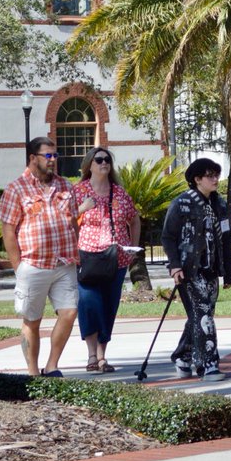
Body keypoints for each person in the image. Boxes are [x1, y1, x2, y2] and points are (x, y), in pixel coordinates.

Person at [0, 136, 79, 377]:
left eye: (55, 156)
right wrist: (18, 267)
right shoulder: (16, 189)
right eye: (48, 156)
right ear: (33, 158)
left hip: (64, 262)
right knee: (32, 320)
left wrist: (77, 248)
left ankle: (52, 365)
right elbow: (8, 231)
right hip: (33, 265)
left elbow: (73, 221)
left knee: (70, 312)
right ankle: (33, 373)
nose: (53, 160)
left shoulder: (65, 186)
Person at [162, 157, 231, 381]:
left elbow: (226, 238)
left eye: (216, 175)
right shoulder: (182, 203)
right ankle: (208, 365)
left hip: (212, 270)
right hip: (189, 270)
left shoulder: (219, 204)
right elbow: (168, 236)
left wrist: (229, 272)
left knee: (201, 315)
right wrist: (174, 266)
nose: (215, 180)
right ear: (197, 179)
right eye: (210, 175)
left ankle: (183, 356)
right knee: (203, 316)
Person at [74, 147, 140, 373]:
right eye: (99, 160)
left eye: (107, 160)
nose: (104, 163)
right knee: (89, 304)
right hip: (86, 257)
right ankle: (91, 354)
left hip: (117, 259)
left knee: (109, 306)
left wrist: (132, 248)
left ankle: (102, 355)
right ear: (89, 165)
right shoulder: (79, 191)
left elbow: (134, 219)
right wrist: (83, 208)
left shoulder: (120, 193)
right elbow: (65, 220)